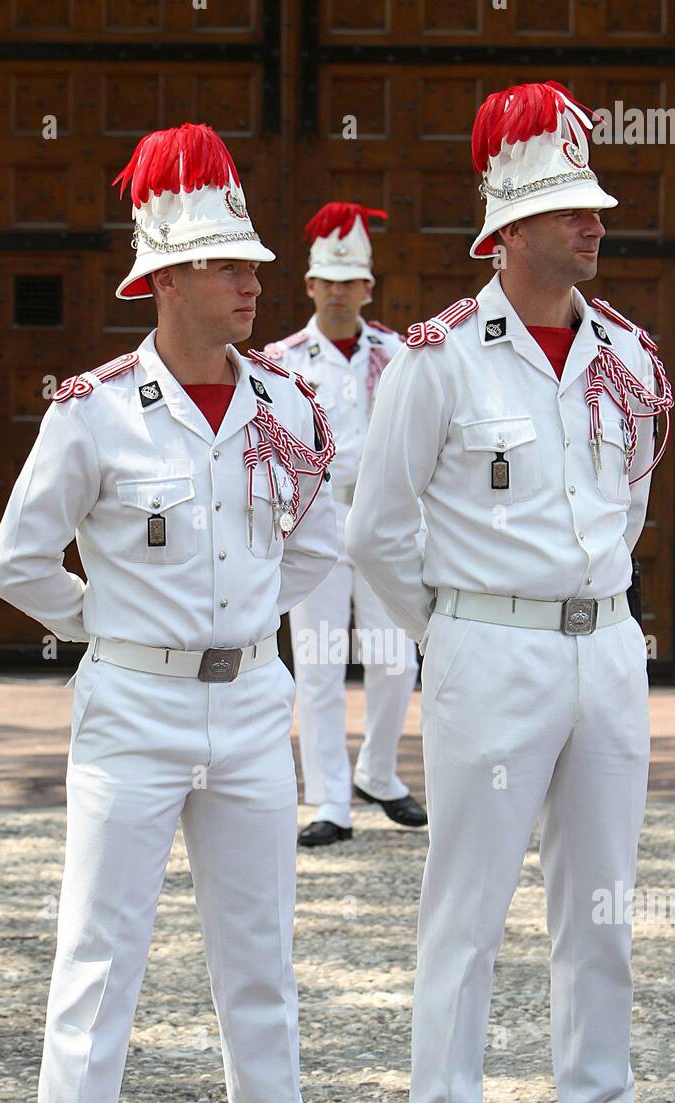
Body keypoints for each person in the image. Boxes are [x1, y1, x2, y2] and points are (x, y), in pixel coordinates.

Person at [0, 121, 357, 1103]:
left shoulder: (291, 406)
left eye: (255, 265)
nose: (257, 281)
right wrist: (117, 629)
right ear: (170, 280)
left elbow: (319, 544)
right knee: (99, 960)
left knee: (260, 957)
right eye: (233, 265)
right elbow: (18, 561)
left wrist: (240, 628)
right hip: (132, 716)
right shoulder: (92, 410)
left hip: (251, 706)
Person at [346, 81, 675, 1103]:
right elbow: (377, 528)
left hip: (602, 647)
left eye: (594, 203)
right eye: (566, 208)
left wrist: (587, 605)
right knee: (469, 910)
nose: (594, 222)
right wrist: (451, 628)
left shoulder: (630, 356)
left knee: (598, 910)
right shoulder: (439, 360)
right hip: (486, 647)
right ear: (506, 227)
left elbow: (631, 500)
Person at [263, 203, 427, 847]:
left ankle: (378, 772)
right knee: (320, 664)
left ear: (367, 286)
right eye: (325, 280)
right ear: (308, 287)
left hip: (384, 523)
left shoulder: (401, 352)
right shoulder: (280, 360)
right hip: (314, 522)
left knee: (394, 659)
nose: (337, 292)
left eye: (349, 279)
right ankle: (329, 799)